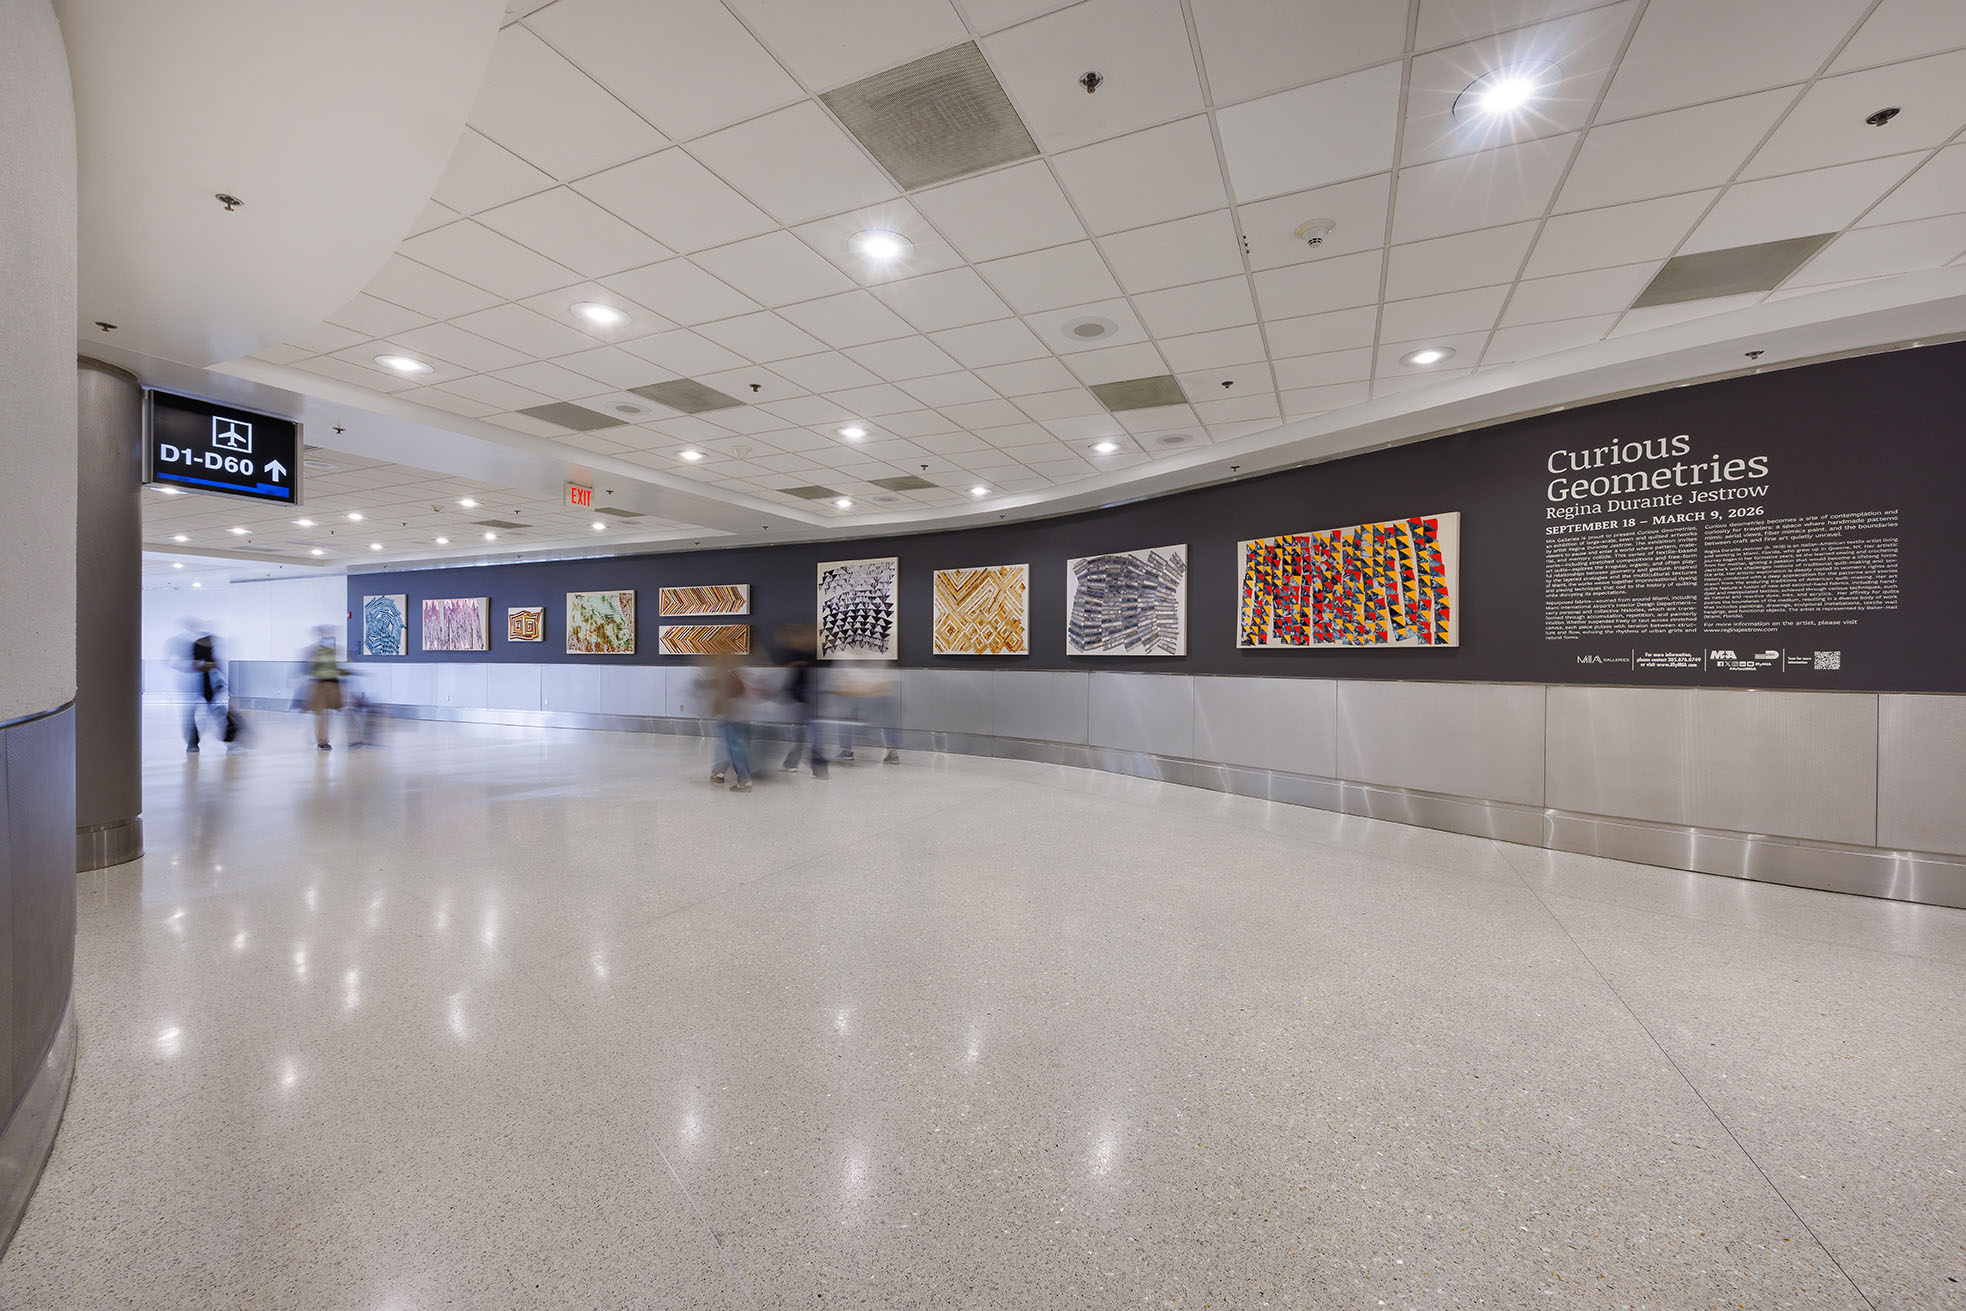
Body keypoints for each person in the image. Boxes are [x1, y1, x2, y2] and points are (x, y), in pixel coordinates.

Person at [774, 622, 827, 778]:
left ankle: (814, 767)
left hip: (804, 698)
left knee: (805, 733)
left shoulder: (804, 653)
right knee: (805, 733)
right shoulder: (807, 653)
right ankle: (794, 763)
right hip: (807, 697)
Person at [697, 652, 752, 792]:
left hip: (730, 716)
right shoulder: (734, 673)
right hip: (735, 716)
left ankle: (743, 780)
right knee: (731, 746)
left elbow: (724, 691)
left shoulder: (727, 675)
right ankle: (725, 774)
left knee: (732, 747)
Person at [831, 664, 900, 765]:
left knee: (845, 718)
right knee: (888, 719)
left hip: (858, 691)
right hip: (878, 691)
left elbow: (842, 681)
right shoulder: (883, 661)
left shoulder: (850, 661)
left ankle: (847, 751)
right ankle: (893, 753)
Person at [178, 619, 222, 751]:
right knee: (198, 712)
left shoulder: (203, 644)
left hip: (205, 683)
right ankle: (193, 742)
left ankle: (194, 742)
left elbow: (209, 664)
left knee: (209, 711)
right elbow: (201, 664)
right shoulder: (198, 644)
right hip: (198, 683)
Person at [302, 626, 344, 750]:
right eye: (324, 634)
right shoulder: (313, 651)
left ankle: (323, 739)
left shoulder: (334, 651)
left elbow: (335, 668)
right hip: (319, 685)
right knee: (320, 714)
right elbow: (307, 668)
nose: (327, 636)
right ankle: (322, 741)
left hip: (332, 684)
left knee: (327, 715)